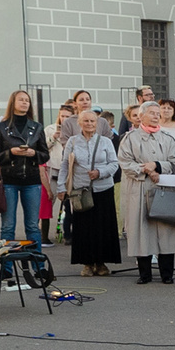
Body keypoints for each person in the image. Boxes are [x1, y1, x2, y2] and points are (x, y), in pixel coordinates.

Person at [116, 102, 175, 284]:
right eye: (152, 113)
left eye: (158, 113)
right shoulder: (130, 138)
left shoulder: (168, 138)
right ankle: (144, 274)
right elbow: (125, 162)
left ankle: (167, 274)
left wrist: (157, 165)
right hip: (140, 188)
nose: (157, 116)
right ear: (141, 116)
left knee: (166, 230)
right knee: (142, 231)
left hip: (164, 187)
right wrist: (146, 170)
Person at [58, 105, 120, 276]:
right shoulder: (72, 141)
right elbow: (65, 165)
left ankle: (101, 263)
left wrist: (100, 172)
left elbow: (114, 164)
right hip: (81, 190)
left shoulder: (106, 141)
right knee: (83, 228)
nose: (89, 123)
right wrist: (61, 186)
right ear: (79, 123)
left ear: (98, 123)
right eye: (86, 120)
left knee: (103, 227)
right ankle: (87, 263)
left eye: (93, 121)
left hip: (103, 189)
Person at [0, 89, 48, 246]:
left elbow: (45, 154)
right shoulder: (1, 128)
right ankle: (7, 267)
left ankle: (38, 266)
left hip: (32, 181)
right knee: (8, 227)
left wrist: (33, 153)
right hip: (8, 181)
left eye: (27, 100)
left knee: (33, 226)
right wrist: (10, 153)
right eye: (21, 99)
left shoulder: (37, 127)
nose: (24, 102)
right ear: (13, 103)